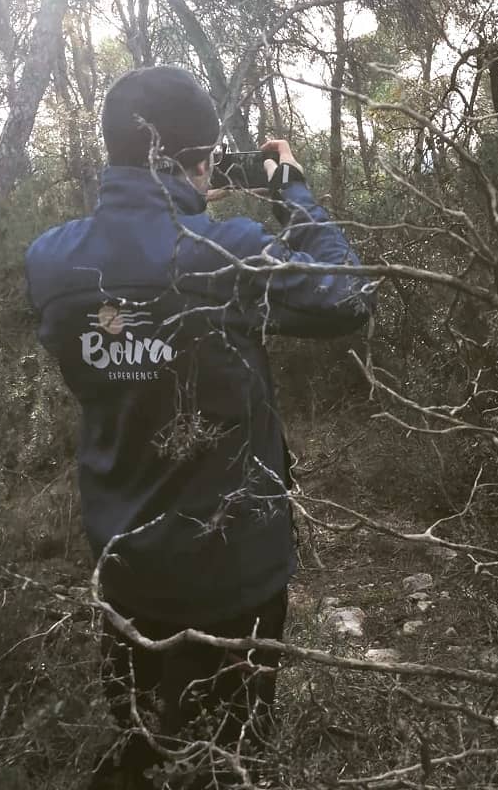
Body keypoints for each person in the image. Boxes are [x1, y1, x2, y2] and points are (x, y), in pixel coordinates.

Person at [25, 65, 373, 788]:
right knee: (230, 757)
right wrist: (292, 190)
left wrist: (175, 201)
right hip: (232, 570)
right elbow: (346, 297)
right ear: (200, 157)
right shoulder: (226, 249)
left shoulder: (51, 258)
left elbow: (121, 279)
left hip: (124, 563)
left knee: (148, 738)